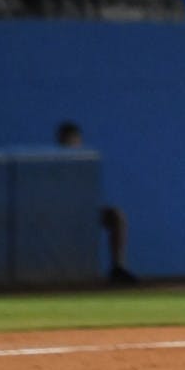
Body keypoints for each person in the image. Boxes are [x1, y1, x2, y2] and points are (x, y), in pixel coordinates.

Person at [55, 121, 137, 284]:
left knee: (116, 215)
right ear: (60, 142)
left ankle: (118, 267)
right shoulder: (51, 163)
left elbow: (89, 196)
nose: (71, 143)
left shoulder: (86, 162)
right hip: (57, 215)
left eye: (74, 139)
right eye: (67, 140)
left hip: (83, 213)